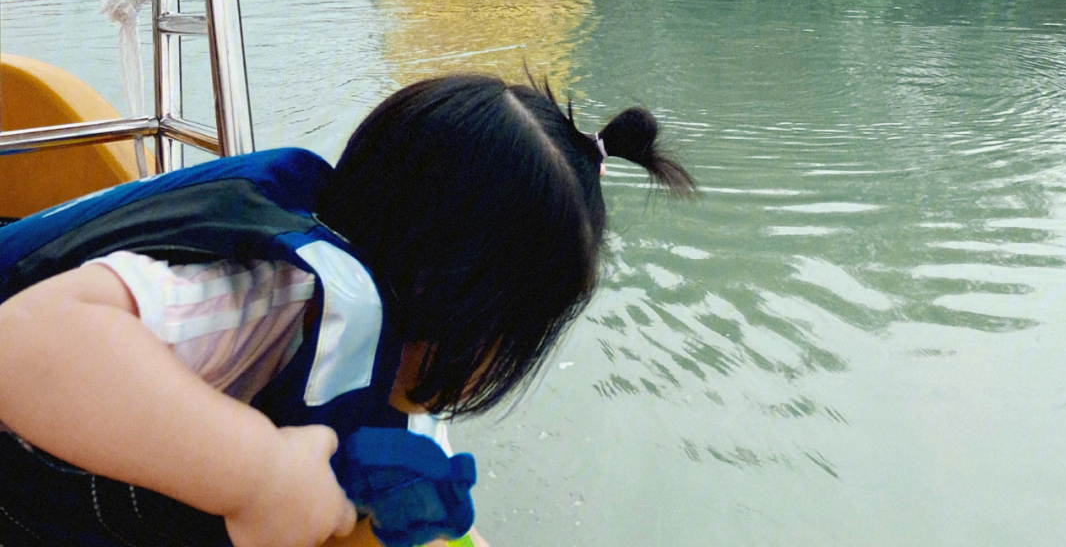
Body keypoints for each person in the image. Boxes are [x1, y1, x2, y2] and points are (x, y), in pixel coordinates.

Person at [0, 73, 693, 547]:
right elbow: (24, 346)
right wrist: (260, 473)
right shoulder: (262, 301)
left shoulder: (379, 356)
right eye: (509, 339)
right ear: (444, 294)